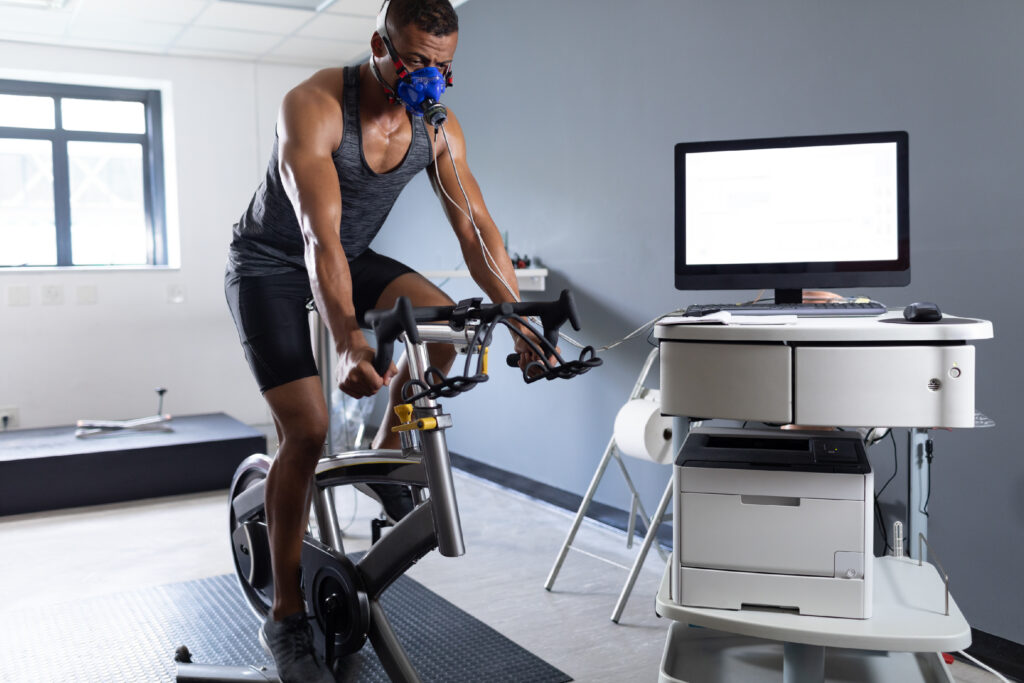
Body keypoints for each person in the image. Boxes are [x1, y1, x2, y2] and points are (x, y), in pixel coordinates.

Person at [223, 0, 543, 680]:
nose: (429, 78)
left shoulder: (437, 127)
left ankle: (383, 450)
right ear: (379, 45)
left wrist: (517, 317)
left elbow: (477, 227)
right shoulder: (312, 105)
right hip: (270, 265)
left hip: (353, 253)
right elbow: (316, 237)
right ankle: (284, 615)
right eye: (416, 63)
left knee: (449, 328)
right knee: (306, 431)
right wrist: (346, 339)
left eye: (443, 67)